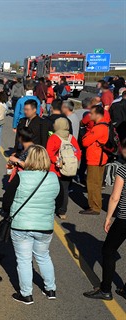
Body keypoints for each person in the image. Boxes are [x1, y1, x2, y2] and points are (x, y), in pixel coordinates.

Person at [2, 145, 60, 304]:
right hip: (45, 226)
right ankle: (50, 289)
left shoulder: (21, 177)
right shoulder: (53, 178)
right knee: (43, 256)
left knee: (24, 260)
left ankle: (26, 294)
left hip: (22, 225)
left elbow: (6, 202)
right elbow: (59, 202)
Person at [83, 140, 126, 301]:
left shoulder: (123, 169)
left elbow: (115, 197)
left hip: (124, 218)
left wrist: (108, 217)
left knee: (108, 251)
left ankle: (105, 289)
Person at [46, 118, 81, 220]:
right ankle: (62, 211)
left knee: (52, 190)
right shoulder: (71, 138)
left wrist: (57, 161)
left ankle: (50, 208)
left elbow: (49, 153)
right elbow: (78, 152)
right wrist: (72, 162)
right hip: (69, 168)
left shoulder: (53, 137)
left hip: (55, 169)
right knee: (65, 190)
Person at [81, 105, 110, 215]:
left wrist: (87, 135)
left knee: (92, 183)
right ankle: (93, 204)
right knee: (96, 182)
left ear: (97, 114)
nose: (89, 115)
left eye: (91, 113)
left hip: (95, 158)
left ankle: (95, 207)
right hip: (100, 157)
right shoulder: (104, 125)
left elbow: (85, 141)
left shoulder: (98, 128)